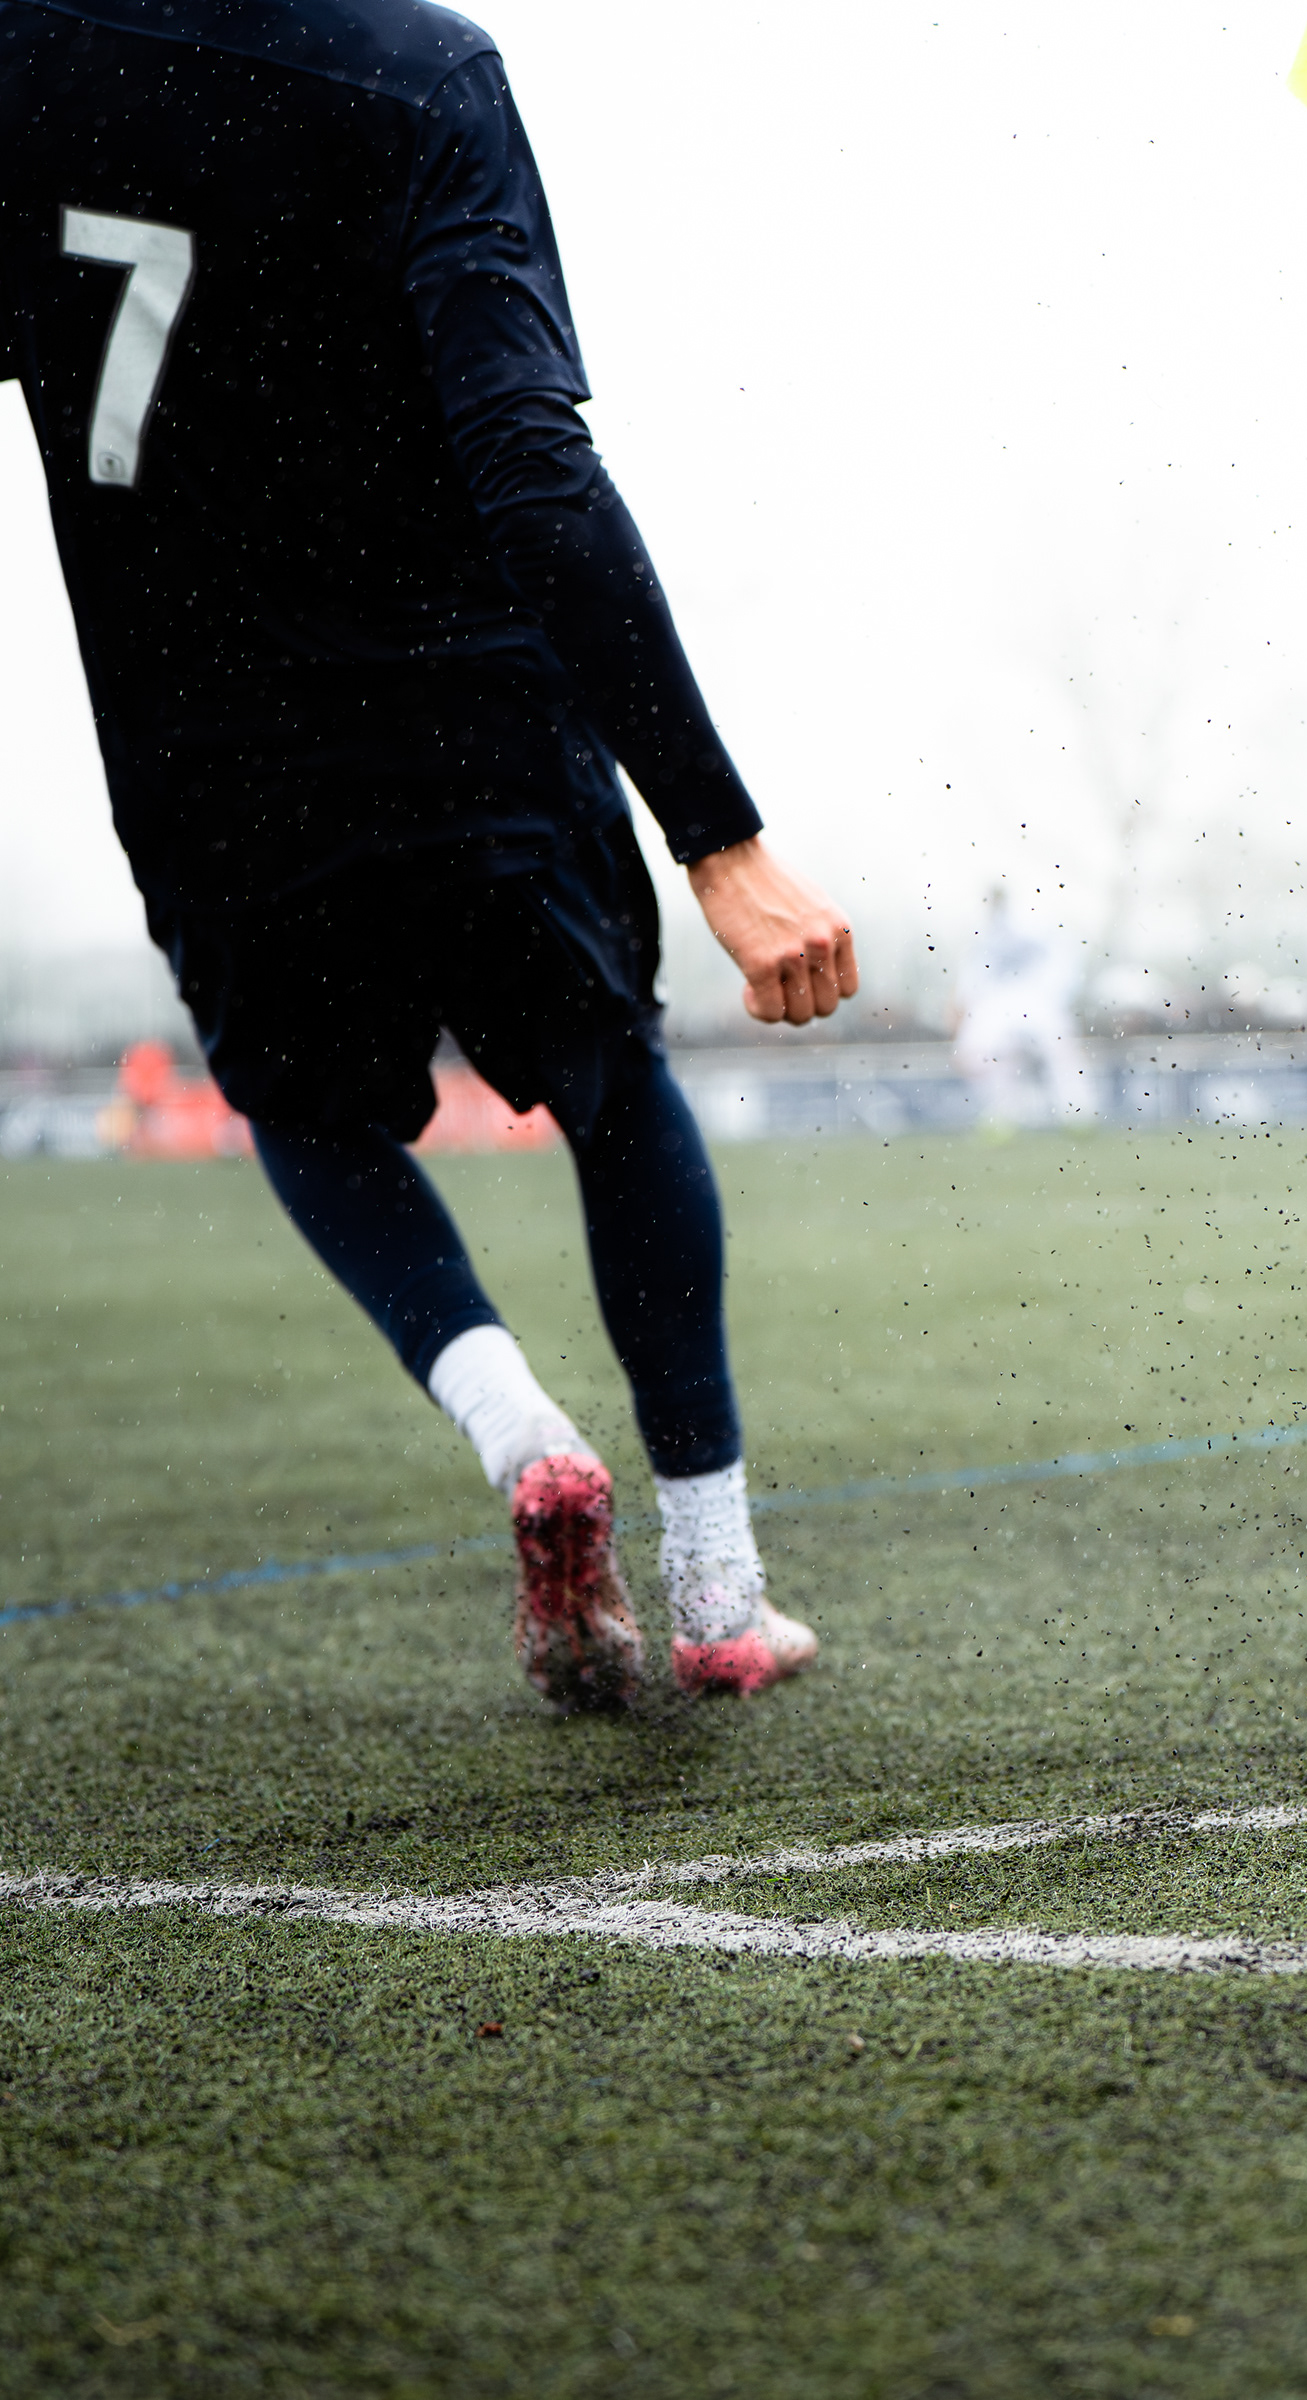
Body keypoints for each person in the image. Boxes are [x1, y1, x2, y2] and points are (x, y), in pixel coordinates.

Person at [0, 0, 858, 1710]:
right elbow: (530, 462)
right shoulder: (417, 74)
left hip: (203, 746)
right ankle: (720, 1586)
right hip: (472, 718)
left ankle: (518, 1430)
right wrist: (719, 832)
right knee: (612, 1081)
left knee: (312, 1117)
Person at [953, 886, 1093, 1130]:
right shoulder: (983, 935)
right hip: (999, 1006)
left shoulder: (1034, 924)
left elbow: (1062, 960)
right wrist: (963, 1007)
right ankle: (1003, 1117)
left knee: (1060, 1052)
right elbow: (972, 978)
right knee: (989, 1058)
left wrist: (1056, 994)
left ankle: (1078, 1115)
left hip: (1037, 1001)